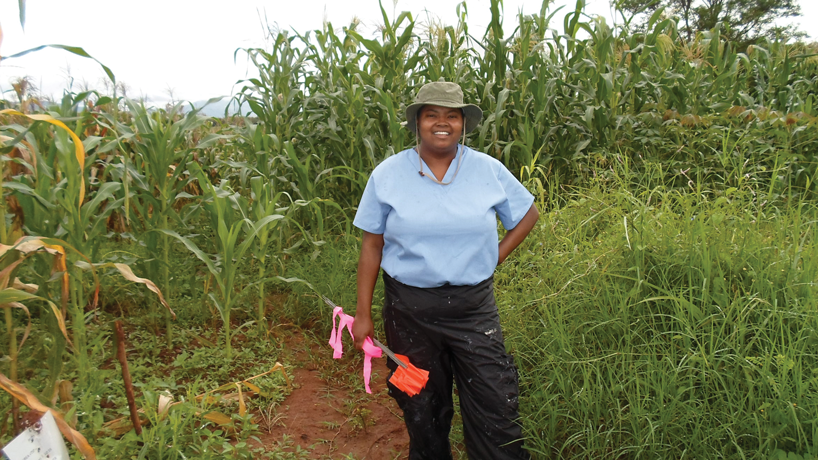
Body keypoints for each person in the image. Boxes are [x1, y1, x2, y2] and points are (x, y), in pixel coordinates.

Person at [351, 81, 539, 460]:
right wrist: (361, 313)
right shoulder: (388, 174)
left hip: (473, 310)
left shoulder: (488, 170)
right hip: (409, 311)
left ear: (463, 124)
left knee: (495, 404)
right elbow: (372, 245)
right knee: (422, 408)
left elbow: (528, 214)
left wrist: (494, 256)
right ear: (417, 122)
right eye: (431, 115)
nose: (442, 123)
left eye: (451, 116)